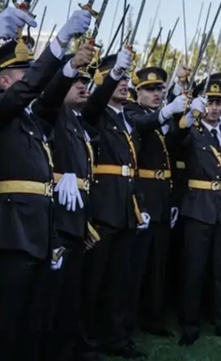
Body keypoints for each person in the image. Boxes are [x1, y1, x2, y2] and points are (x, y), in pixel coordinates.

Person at [0, 8, 92, 361]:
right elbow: (29, 91)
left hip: (38, 231)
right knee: (4, 325)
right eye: (22, 74)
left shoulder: (30, 119)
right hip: (10, 231)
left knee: (31, 322)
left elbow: (50, 96)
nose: (31, 80)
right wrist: (56, 45)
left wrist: (69, 67)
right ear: (4, 81)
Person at [80, 48, 149, 359]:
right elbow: (94, 101)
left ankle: (117, 338)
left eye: (124, 79)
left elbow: (133, 168)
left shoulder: (128, 118)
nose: (123, 84)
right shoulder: (94, 112)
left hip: (125, 208)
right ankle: (88, 341)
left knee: (120, 280)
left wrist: (139, 204)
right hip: (103, 207)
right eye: (115, 79)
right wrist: (113, 75)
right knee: (94, 281)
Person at [38, 45, 102, 361]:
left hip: (76, 215)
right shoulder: (51, 111)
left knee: (71, 292)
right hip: (55, 217)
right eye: (76, 80)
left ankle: (68, 349)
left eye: (86, 81)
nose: (83, 85)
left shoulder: (76, 120)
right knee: (53, 294)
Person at [177, 79, 221, 346]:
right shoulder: (192, 131)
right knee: (194, 269)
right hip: (198, 206)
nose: (215, 108)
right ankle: (190, 324)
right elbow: (176, 138)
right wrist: (188, 114)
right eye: (210, 103)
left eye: (219, 103)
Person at [124, 67, 187, 337]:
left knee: (158, 264)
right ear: (137, 93)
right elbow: (143, 125)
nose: (157, 94)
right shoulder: (131, 112)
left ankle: (153, 316)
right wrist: (168, 110)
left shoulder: (161, 117)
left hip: (162, 195)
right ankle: (128, 319)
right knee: (136, 264)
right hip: (143, 196)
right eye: (150, 90)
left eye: (160, 89)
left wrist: (188, 116)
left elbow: (175, 149)